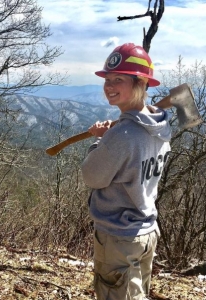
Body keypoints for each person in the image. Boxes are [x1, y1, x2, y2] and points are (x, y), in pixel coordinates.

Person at [81, 43, 171, 300]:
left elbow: (92, 176)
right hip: (146, 232)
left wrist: (100, 141)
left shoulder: (122, 134)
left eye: (118, 79)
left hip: (119, 236)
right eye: (107, 79)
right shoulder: (160, 126)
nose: (109, 86)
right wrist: (112, 137)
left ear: (141, 82)